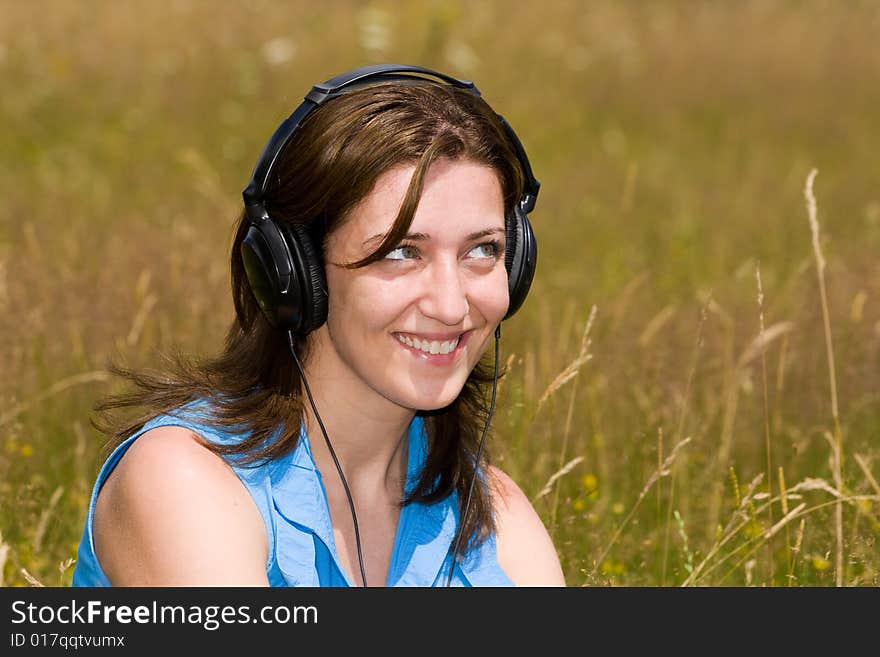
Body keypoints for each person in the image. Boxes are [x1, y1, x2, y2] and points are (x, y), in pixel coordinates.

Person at [72, 63, 566, 587]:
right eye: (400, 252)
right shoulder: (181, 481)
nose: (450, 305)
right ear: (295, 272)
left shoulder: (498, 518)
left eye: (482, 250)